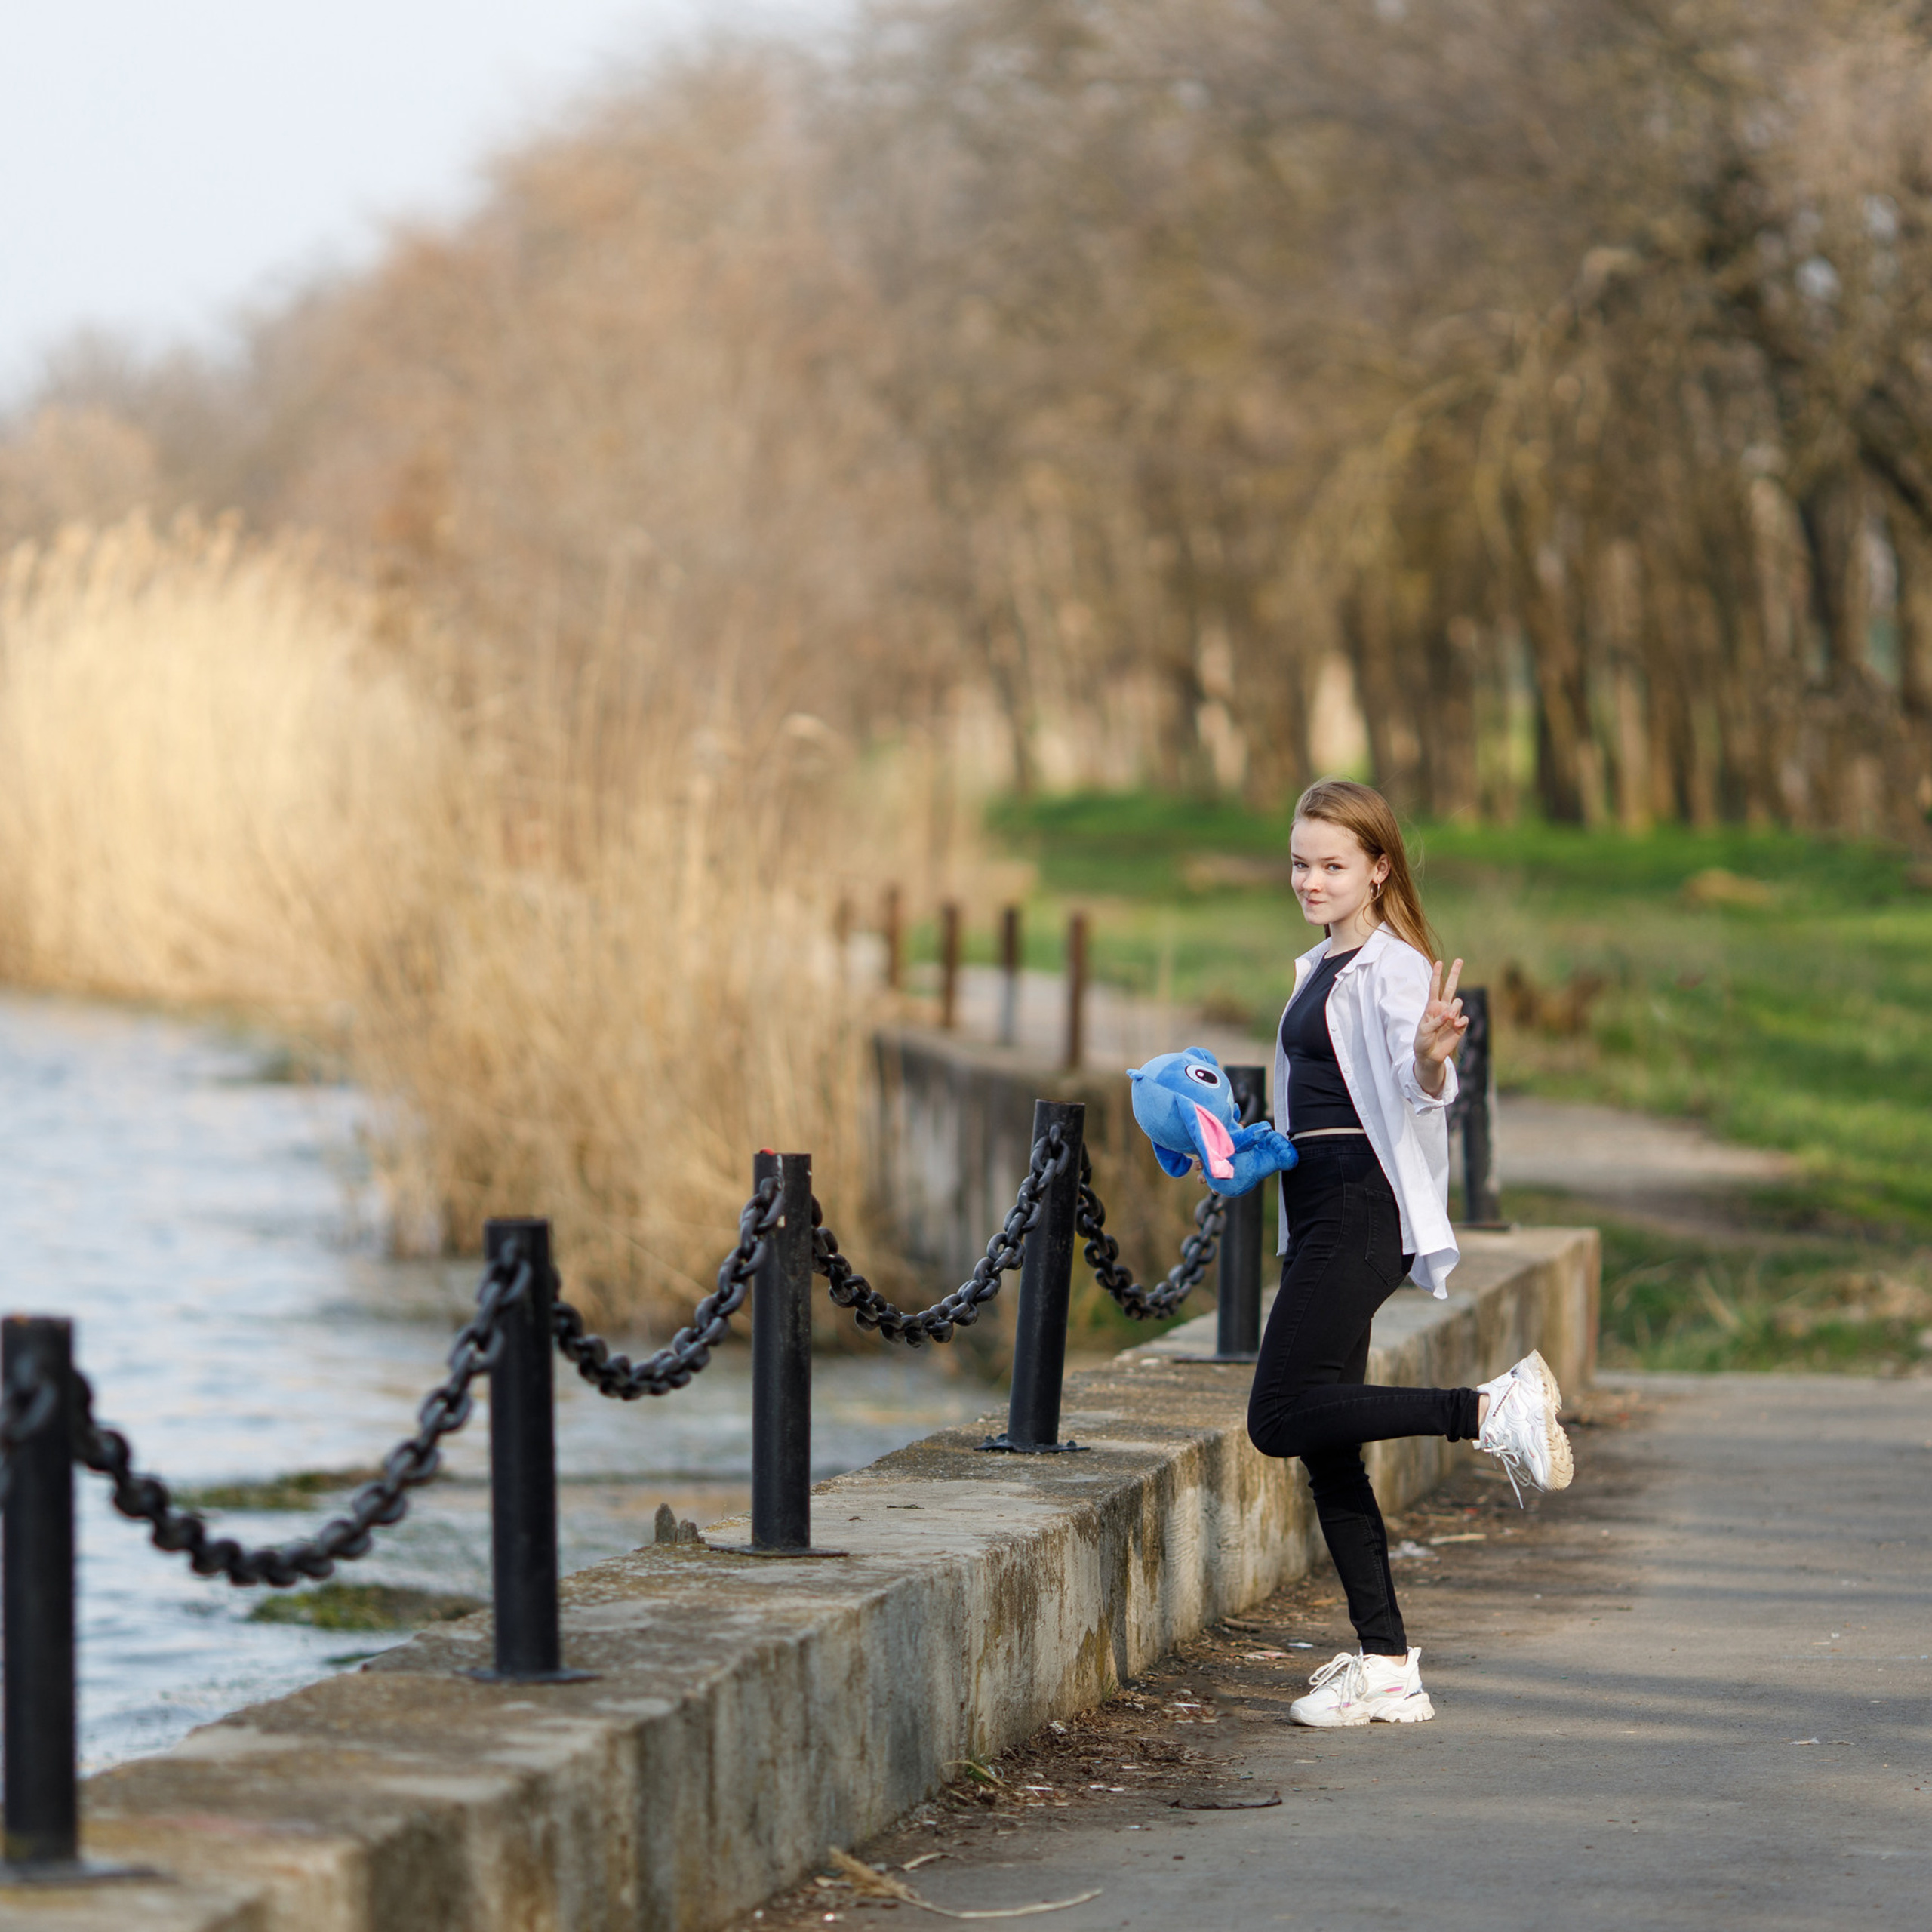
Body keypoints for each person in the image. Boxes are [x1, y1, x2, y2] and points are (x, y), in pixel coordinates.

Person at [1244, 778, 1573, 1728]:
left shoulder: (1393, 969)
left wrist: (1434, 1053)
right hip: (1320, 1205)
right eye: (1300, 862)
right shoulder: (1322, 966)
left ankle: (1485, 1408)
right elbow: (1328, 1097)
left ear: (1378, 868)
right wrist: (1246, 1141)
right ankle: (1386, 1664)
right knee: (1327, 1447)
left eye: (1332, 864)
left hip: (1359, 1211)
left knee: (1277, 1413)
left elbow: (1419, 1084)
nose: (1310, 879)